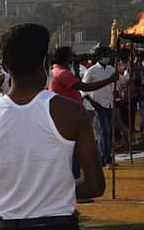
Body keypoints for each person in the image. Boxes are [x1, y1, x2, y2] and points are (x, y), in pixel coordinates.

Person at [0, 23, 105, 230]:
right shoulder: (71, 113)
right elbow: (95, 185)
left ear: (4, 65)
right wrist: (53, 192)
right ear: (45, 62)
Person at [48, 46, 117, 179]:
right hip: (67, 116)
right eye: (72, 55)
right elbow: (84, 87)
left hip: (69, 113)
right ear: (67, 57)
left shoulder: (62, 71)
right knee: (75, 150)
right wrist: (109, 80)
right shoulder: (62, 73)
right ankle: (75, 182)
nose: (75, 57)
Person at [84, 47, 117, 167]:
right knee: (103, 131)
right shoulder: (91, 71)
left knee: (106, 131)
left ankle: (103, 155)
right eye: (105, 55)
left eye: (108, 54)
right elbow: (83, 90)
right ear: (99, 56)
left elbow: (119, 83)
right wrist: (93, 103)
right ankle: (105, 158)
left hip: (109, 103)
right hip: (97, 104)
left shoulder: (111, 69)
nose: (107, 57)